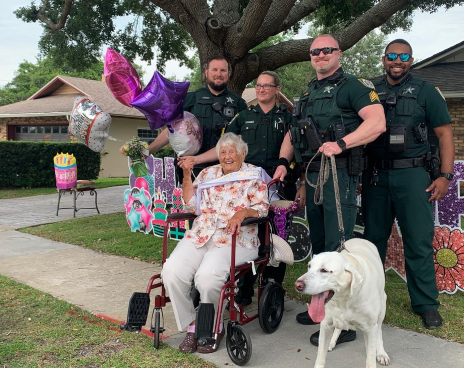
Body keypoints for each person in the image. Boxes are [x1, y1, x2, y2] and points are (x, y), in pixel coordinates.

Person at [273, 34, 386, 347]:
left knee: (339, 248)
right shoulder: (308, 91)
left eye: (327, 50)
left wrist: (341, 143)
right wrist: (284, 162)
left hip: (339, 175)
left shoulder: (354, 86)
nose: (320, 55)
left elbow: (377, 123)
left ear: (338, 53)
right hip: (312, 175)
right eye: (315, 51)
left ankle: (344, 321)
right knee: (321, 246)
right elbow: (294, 134)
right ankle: (321, 308)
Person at [180, 71, 304, 306]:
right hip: (244, 186)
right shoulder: (243, 116)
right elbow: (223, 148)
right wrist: (194, 160)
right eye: (258, 85)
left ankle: (272, 287)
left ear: (278, 89)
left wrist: (305, 184)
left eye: (267, 86)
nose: (261, 89)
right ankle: (244, 290)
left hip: (278, 184)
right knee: (246, 235)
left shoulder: (288, 118)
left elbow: (301, 152)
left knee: (273, 237)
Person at [362, 39, 455, 330]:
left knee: (417, 241)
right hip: (375, 176)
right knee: (372, 242)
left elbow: (445, 136)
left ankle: (426, 304)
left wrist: (445, 175)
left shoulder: (426, 91)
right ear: (383, 59)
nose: (397, 61)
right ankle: (366, 300)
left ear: (411, 60)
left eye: (403, 56)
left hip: (413, 176)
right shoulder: (368, 91)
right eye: (392, 56)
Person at [162, 133, 270, 354]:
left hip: (235, 238)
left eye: (232, 151)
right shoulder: (207, 173)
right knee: (171, 272)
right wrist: (185, 174)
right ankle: (193, 325)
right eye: (223, 152)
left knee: (207, 278)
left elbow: (262, 208)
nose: (227, 156)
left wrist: (241, 213)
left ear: (243, 153)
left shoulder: (253, 176)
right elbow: (192, 205)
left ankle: (214, 326)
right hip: (202, 233)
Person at [148, 55, 247, 179]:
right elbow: (172, 131)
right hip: (191, 169)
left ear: (229, 73)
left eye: (223, 70)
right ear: (206, 72)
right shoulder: (190, 99)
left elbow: (241, 142)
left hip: (225, 171)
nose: (219, 74)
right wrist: (147, 151)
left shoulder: (239, 104)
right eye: (214, 70)